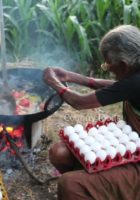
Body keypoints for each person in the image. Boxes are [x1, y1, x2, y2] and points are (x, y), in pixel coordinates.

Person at [44, 24, 140, 200]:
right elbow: (118, 89)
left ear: (124, 65)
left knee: (69, 184)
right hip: (131, 147)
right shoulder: (134, 76)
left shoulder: (135, 82)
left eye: (107, 65)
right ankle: (96, 188)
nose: (107, 68)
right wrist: (72, 77)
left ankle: (91, 187)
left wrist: (53, 82)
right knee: (59, 153)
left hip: (137, 163)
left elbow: (79, 103)